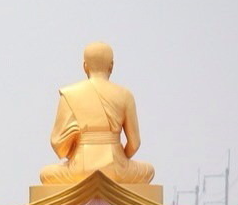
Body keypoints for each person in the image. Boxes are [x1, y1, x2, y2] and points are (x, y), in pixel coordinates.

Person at [40, 42, 155, 185]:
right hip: (117, 169)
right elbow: (135, 143)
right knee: (148, 170)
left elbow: (57, 143)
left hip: (79, 169)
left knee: (46, 174)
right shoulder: (125, 95)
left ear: (85, 66)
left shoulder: (70, 94)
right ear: (111, 66)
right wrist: (121, 159)